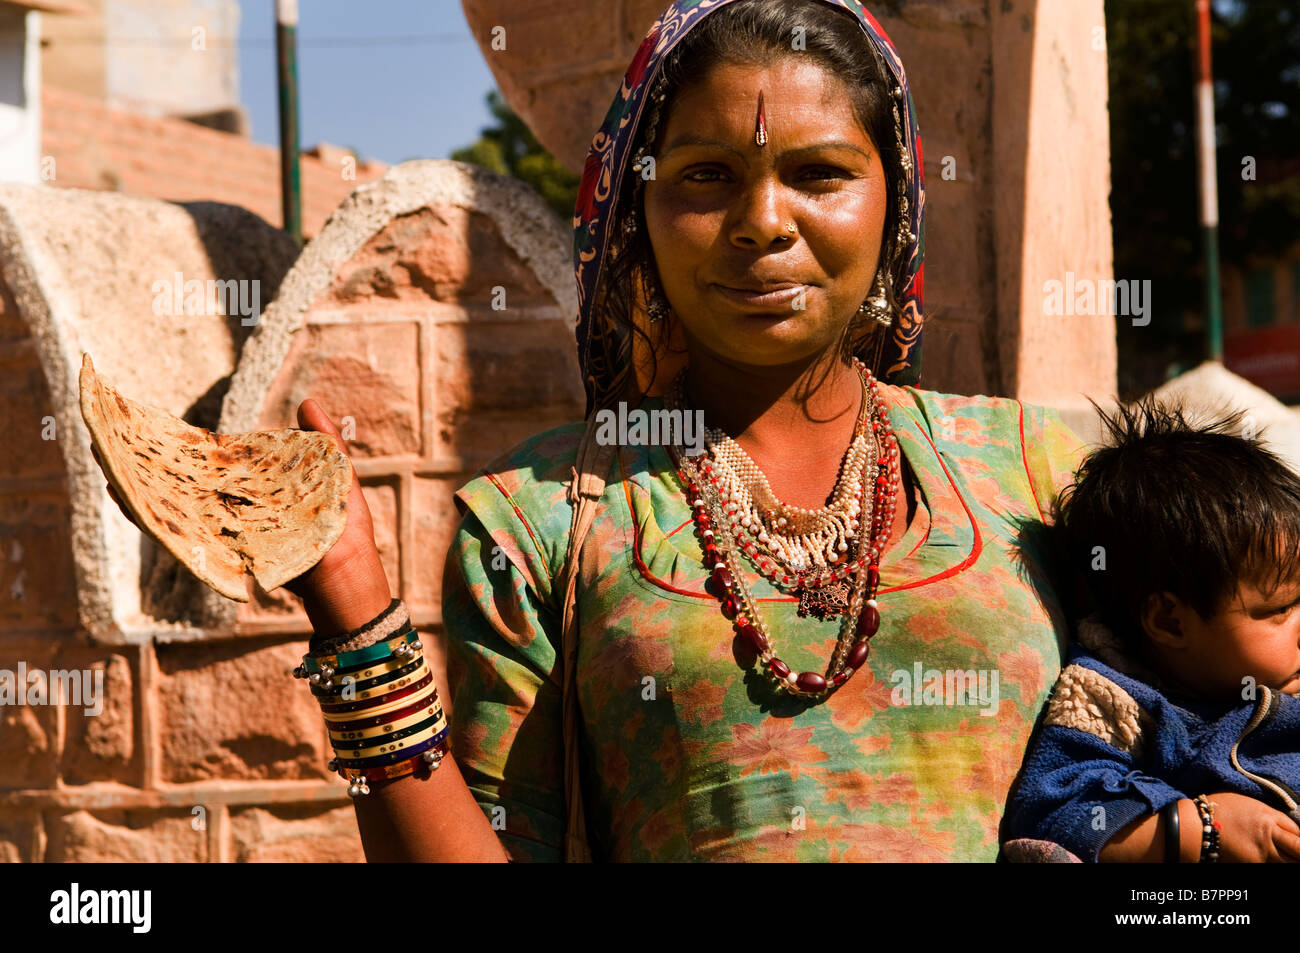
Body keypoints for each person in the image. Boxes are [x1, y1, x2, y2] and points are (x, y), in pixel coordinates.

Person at [281, 0, 1090, 861]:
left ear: (897, 200)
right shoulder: (541, 521)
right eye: (706, 176)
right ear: (640, 209)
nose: (763, 221)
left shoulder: (1035, 473)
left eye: (819, 174)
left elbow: (1193, 761)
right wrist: (354, 615)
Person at [1001, 398, 1300, 863]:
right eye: (1281, 609)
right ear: (1170, 622)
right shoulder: (1115, 702)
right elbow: (1056, 811)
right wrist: (1200, 827)